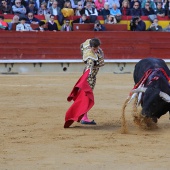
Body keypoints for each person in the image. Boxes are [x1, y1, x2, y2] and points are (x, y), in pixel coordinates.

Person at [79, 38, 104, 125]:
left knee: (86, 96)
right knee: (87, 96)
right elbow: (92, 67)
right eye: (94, 49)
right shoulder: (91, 58)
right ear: (90, 47)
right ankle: (84, 117)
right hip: (89, 78)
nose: (96, 50)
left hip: (89, 76)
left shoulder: (87, 46)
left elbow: (82, 45)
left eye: (97, 48)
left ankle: (83, 116)